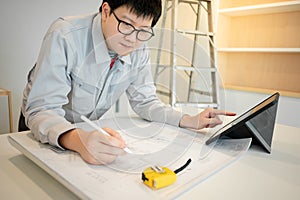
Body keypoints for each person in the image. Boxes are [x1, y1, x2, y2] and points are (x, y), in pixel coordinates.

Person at [19, 0, 235, 165]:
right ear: (105, 11)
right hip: (43, 128)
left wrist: (189, 120)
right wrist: (78, 140)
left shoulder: (139, 48)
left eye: (143, 30)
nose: (132, 38)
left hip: (88, 134)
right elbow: (41, 109)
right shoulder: (65, 35)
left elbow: (146, 102)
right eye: (127, 24)